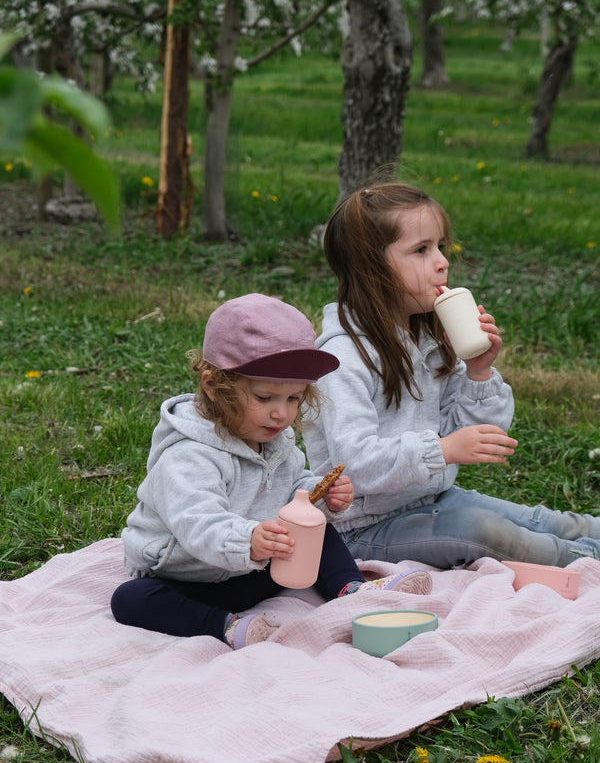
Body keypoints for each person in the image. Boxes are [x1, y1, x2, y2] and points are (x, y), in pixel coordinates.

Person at [303, 182, 600, 569]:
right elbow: (354, 464)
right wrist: (443, 450)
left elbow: (481, 436)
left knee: (542, 521)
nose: (442, 261)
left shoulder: (427, 338)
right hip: (362, 529)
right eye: (421, 250)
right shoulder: (341, 357)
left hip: (430, 501)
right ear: (371, 266)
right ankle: (586, 563)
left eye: (440, 246)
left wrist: (480, 370)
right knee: (486, 532)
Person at [111, 293, 431, 649]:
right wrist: (247, 540)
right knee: (130, 598)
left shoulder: (274, 439)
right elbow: (197, 522)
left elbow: (294, 487)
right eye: (265, 398)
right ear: (214, 387)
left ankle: (350, 589)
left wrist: (321, 497)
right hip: (188, 575)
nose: (282, 413)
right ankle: (226, 627)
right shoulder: (188, 456)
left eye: (293, 398)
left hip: (253, 569)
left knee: (317, 531)